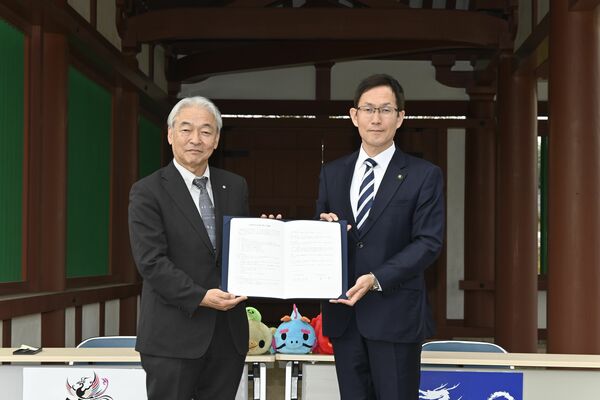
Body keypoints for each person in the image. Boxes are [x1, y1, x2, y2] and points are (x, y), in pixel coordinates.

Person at [317, 74, 445, 400]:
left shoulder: (424, 175)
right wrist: (323, 230)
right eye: (368, 109)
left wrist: (376, 278)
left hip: (395, 315)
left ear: (400, 117)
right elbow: (322, 233)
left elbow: (428, 242)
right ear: (354, 115)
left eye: (386, 110)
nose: (376, 118)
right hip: (344, 316)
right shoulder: (332, 173)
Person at [128, 96, 249, 400]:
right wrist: (200, 297)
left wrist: (266, 237)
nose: (196, 139)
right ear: (170, 135)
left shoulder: (235, 186)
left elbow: (241, 250)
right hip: (172, 336)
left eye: (206, 131)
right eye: (186, 129)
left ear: (216, 140)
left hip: (227, 336)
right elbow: (151, 262)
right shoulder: (147, 191)